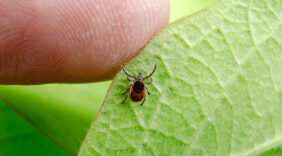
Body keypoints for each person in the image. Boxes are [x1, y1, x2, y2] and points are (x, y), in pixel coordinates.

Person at [0, 0, 169, 84]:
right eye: (141, 80)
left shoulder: (135, 83)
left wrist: (124, 69)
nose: (139, 78)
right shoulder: (142, 83)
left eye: (138, 79)